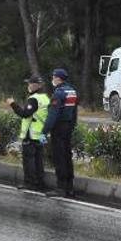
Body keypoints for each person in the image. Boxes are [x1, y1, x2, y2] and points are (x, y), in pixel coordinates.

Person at [6, 75, 50, 191]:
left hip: (31, 134)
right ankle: (40, 182)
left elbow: (25, 114)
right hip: (41, 134)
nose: (28, 86)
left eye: (30, 84)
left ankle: (30, 183)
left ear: (36, 85)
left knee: (29, 159)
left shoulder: (34, 99)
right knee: (39, 159)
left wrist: (12, 104)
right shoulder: (45, 98)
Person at [42, 68, 78, 197]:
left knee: (59, 157)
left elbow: (53, 115)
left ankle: (61, 187)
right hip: (68, 126)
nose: (52, 79)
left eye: (53, 77)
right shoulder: (72, 91)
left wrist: (44, 131)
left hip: (59, 127)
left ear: (58, 78)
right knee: (67, 156)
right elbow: (74, 112)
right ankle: (69, 187)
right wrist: (72, 126)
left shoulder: (58, 93)